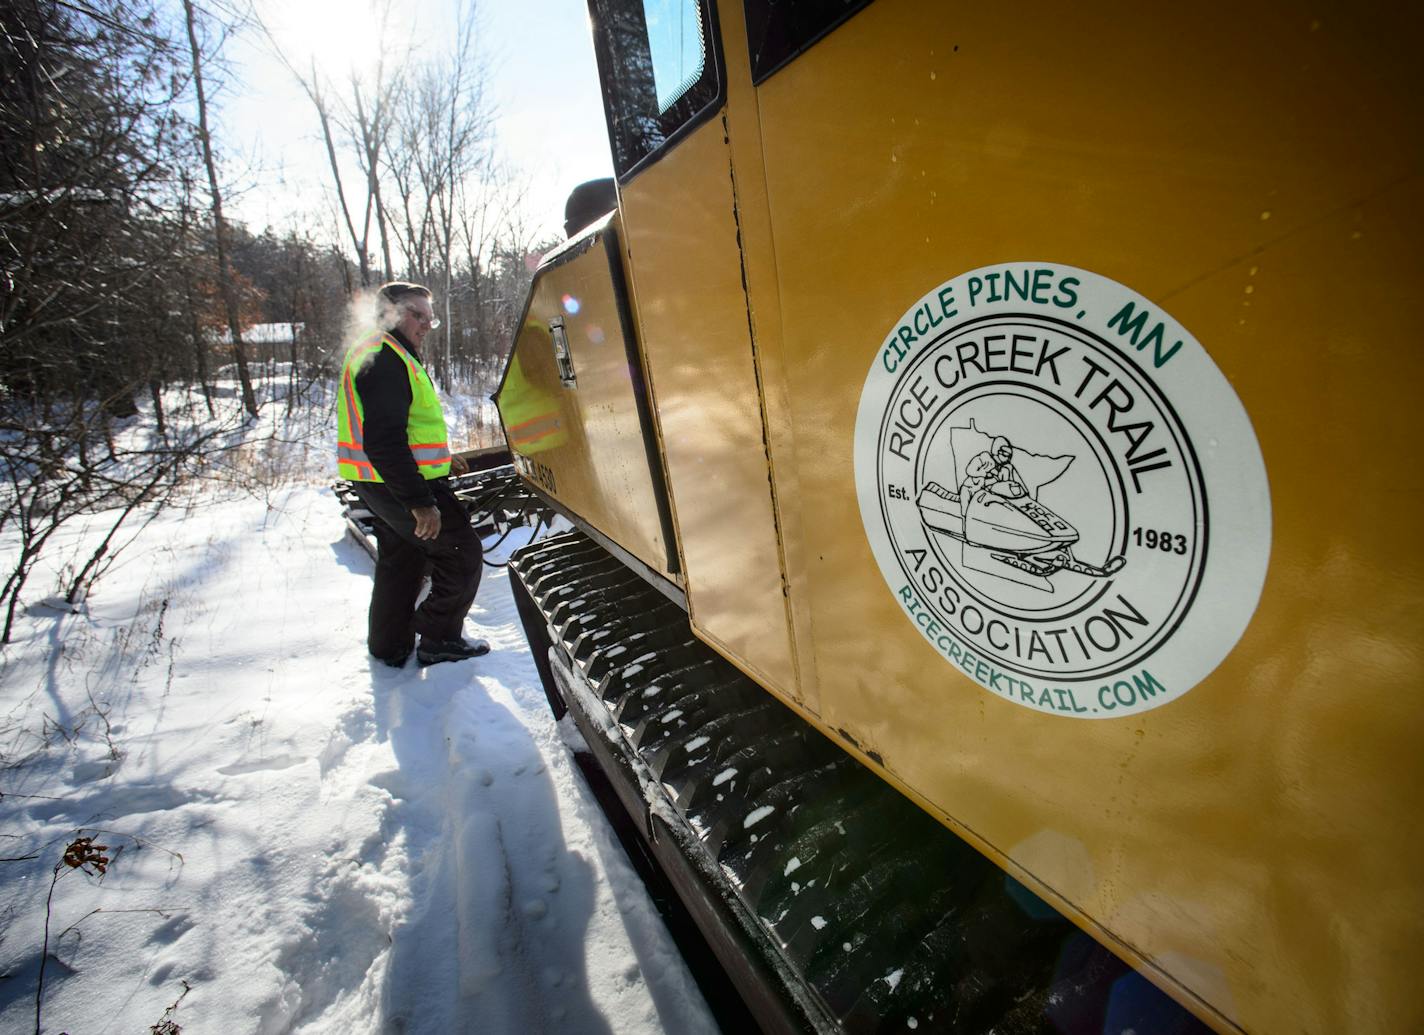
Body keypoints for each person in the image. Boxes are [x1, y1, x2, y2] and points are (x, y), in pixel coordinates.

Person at [337, 282, 488, 667]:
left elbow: (406, 429)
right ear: (388, 313)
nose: (425, 324)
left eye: (429, 317)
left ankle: (389, 646)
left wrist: (442, 459)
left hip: (381, 481)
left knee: (402, 559)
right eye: (416, 314)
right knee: (462, 554)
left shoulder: (386, 352)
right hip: (396, 484)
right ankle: (438, 637)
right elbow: (385, 440)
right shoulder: (385, 359)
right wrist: (420, 502)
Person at [959, 435, 1027, 506]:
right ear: (997, 451)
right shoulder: (984, 459)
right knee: (966, 512)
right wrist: (985, 474)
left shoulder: (1005, 469)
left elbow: (1009, 484)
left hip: (985, 497)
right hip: (970, 489)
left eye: (1009, 455)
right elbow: (969, 470)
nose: (1007, 458)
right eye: (1005, 454)